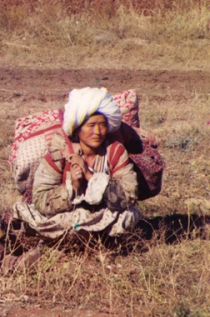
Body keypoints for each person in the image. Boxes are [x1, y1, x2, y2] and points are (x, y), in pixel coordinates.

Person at [13, 87, 141, 238]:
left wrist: (90, 176)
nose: (98, 132)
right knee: (35, 216)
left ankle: (84, 236)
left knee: (129, 215)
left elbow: (130, 193)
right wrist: (72, 188)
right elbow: (40, 200)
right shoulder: (60, 153)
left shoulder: (115, 150)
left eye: (102, 125)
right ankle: (84, 235)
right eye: (91, 126)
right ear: (77, 128)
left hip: (104, 216)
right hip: (67, 216)